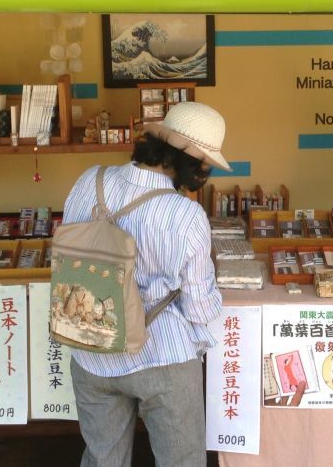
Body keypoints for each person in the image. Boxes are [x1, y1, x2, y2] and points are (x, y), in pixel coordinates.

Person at [62, 101, 231, 467]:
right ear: (191, 161)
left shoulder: (89, 180)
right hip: (162, 357)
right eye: (204, 164)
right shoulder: (186, 215)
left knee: (101, 460)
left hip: (90, 347)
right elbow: (200, 307)